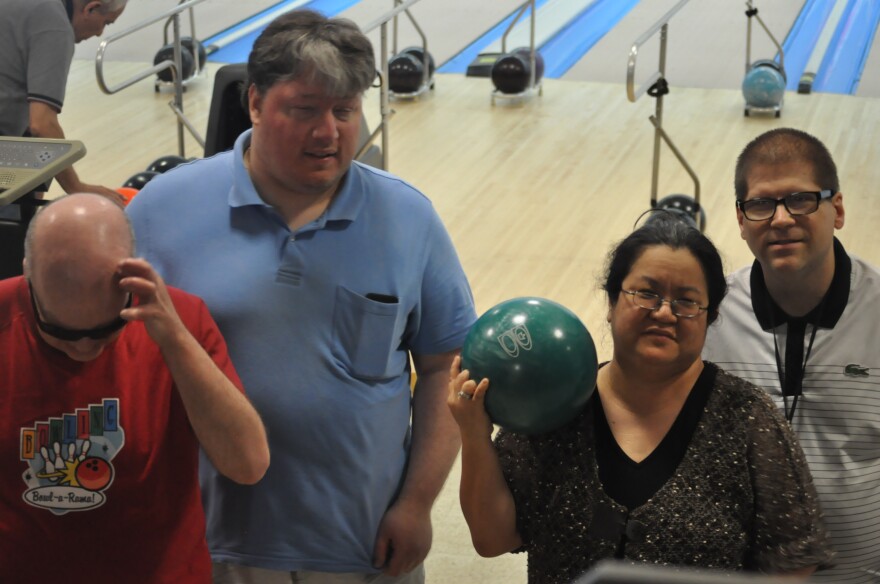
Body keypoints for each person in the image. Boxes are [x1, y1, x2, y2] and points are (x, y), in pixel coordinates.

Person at [126, 9, 476, 583]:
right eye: (305, 109)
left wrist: (416, 504)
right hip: (207, 541)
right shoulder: (162, 211)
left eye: (345, 110)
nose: (329, 131)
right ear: (257, 102)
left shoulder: (409, 218)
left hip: (362, 545)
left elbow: (444, 368)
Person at [449, 215, 834, 584]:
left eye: (687, 301)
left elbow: (794, 560)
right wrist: (474, 435)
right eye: (646, 294)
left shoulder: (750, 419)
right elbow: (494, 539)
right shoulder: (556, 405)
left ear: (710, 316)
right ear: (612, 302)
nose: (665, 313)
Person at [0, 194, 270, 582]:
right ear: (28, 274)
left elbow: (247, 464)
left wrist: (176, 341)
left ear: (131, 280)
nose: (84, 348)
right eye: (59, 332)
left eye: (105, 329)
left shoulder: (181, 321)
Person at [703, 127, 880, 582]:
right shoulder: (709, 316)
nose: (780, 218)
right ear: (741, 221)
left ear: (836, 209)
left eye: (800, 199)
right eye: (761, 204)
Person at [0, 0, 127, 200]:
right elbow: (42, 124)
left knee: (36, 154)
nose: (100, 33)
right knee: (41, 153)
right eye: (106, 23)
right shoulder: (56, 28)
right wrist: (77, 187)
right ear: (90, 8)